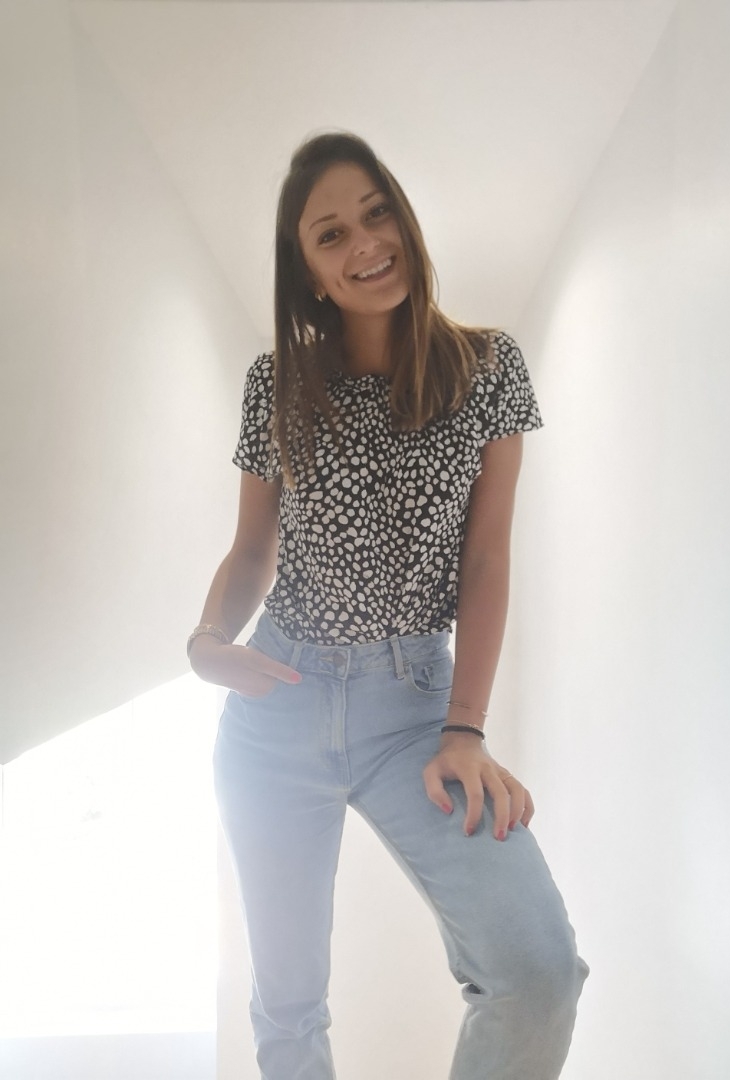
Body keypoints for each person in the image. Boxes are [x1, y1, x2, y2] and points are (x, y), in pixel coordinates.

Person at [188, 131, 588, 1080]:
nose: (365, 243)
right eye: (331, 234)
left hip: (413, 710)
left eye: (376, 214)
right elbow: (254, 548)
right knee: (288, 1010)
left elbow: (486, 558)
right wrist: (207, 638)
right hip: (277, 702)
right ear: (309, 271)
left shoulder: (487, 368)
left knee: (537, 973)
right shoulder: (276, 382)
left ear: (403, 218)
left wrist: (467, 729)